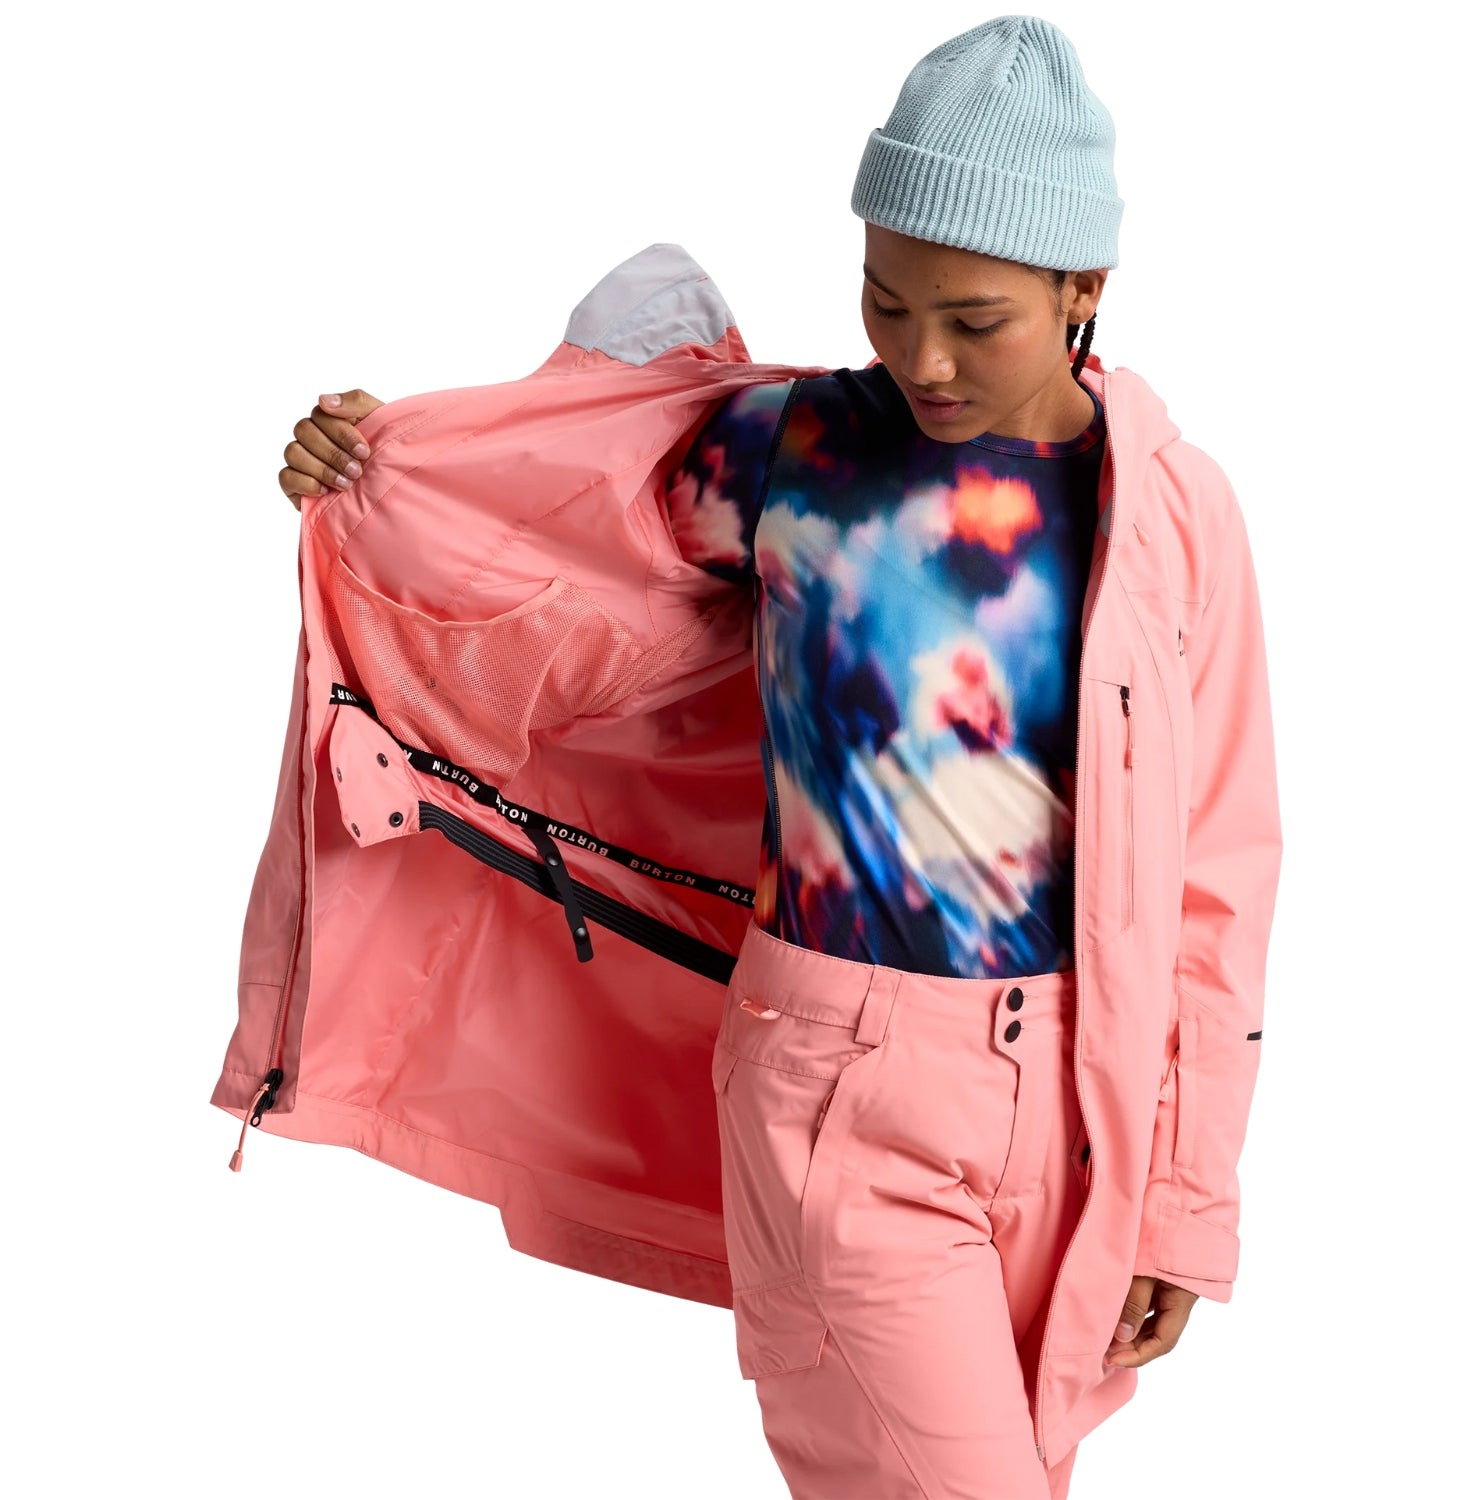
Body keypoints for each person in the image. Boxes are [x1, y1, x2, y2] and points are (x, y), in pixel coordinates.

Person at [273, 16, 1281, 1498]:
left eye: (975, 319)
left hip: (1086, 1108)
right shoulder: (788, 449)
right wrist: (380, 470)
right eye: (886, 300)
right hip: (839, 1085)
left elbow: (1217, 868)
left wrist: (1185, 1199)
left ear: (1084, 286)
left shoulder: (1175, 515)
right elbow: (544, 520)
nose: (922, 357)